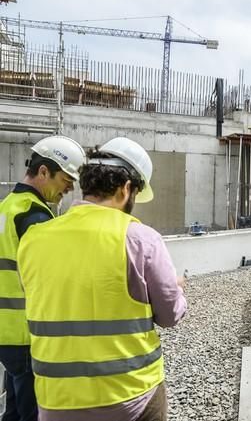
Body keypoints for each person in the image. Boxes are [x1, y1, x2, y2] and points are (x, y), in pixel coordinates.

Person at [16, 137, 186, 421]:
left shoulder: (33, 239)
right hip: (132, 396)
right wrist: (175, 291)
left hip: (56, 399)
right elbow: (170, 315)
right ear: (126, 188)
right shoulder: (140, 239)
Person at [0, 135, 86, 421]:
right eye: (66, 179)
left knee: (13, 409)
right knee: (32, 413)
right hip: (26, 333)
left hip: (7, 334)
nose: (70, 187)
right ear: (44, 171)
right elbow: (51, 276)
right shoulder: (33, 216)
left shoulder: (7, 207)